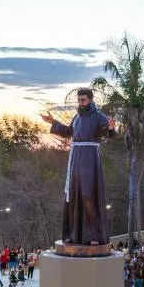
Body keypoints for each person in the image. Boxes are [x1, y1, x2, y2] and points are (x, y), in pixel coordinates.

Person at [39, 87, 117, 245]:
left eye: (83, 100)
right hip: (75, 157)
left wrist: (110, 128)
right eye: (79, 100)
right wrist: (53, 122)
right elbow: (68, 131)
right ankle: (72, 234)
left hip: (90, 157)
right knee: (73, 194)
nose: (81, 103)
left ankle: (93, 235)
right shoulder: (77, 117)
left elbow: (108, 134)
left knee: (88, 193)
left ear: (90, 100)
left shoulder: (99, 116)